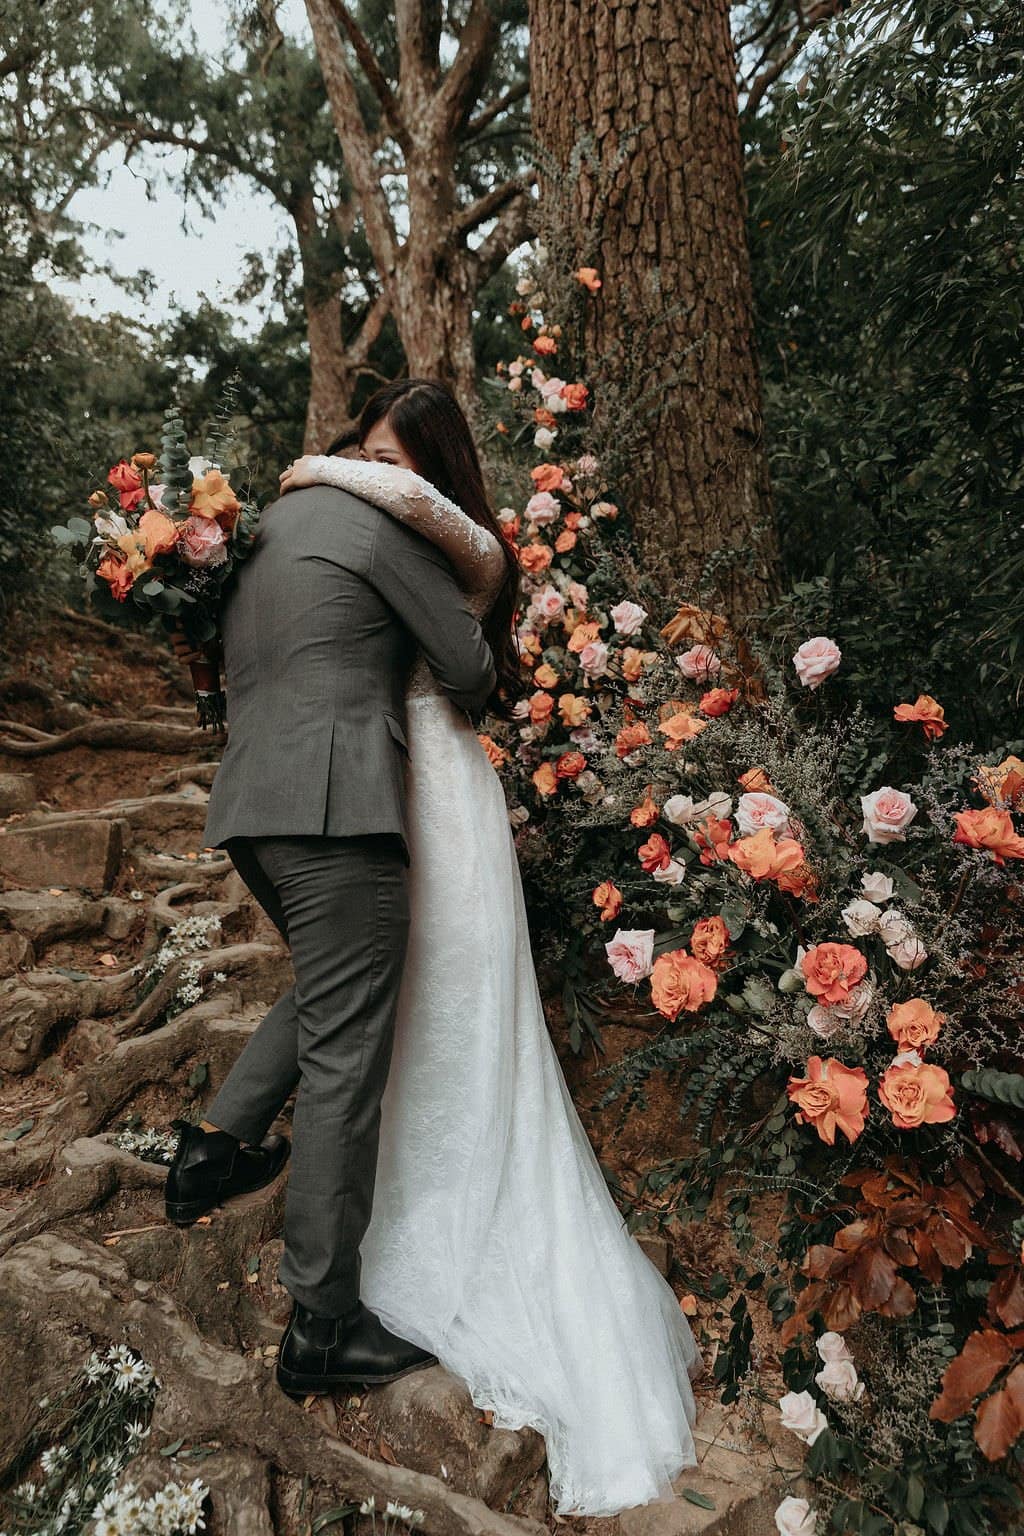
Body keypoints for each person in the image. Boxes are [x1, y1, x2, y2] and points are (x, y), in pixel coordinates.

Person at [274, 379, 702, 1518]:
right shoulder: (358, 544)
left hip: (441, 801)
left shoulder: (450, 550)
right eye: (363, 452)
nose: (373, 475)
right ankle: (360, 1217)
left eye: (396, 461)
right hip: (369, 793)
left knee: (451, 1006)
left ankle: (449, 1217)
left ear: (434, 476)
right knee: (384, 1015)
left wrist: (327, 474)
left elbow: (465, 653)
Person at [163, 428, 497, 1397]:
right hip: (335, 807)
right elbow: (469, 670)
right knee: (347, 1058)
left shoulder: (264, 533)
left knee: (330, 988)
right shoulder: (376, 527)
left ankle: (214, 1149)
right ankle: (320, 1322)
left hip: (251, 806)